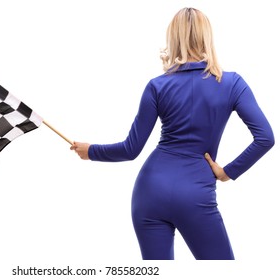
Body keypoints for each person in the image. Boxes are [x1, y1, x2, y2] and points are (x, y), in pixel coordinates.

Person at [70, 7, 275, 260]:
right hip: (195, 193)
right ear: (207, 37)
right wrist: (227, 172)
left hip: (149, 191)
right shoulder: (232, 83)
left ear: (173, 38)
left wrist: (91, 151)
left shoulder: (157, 86)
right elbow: (265, 137)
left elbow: (130, 149)